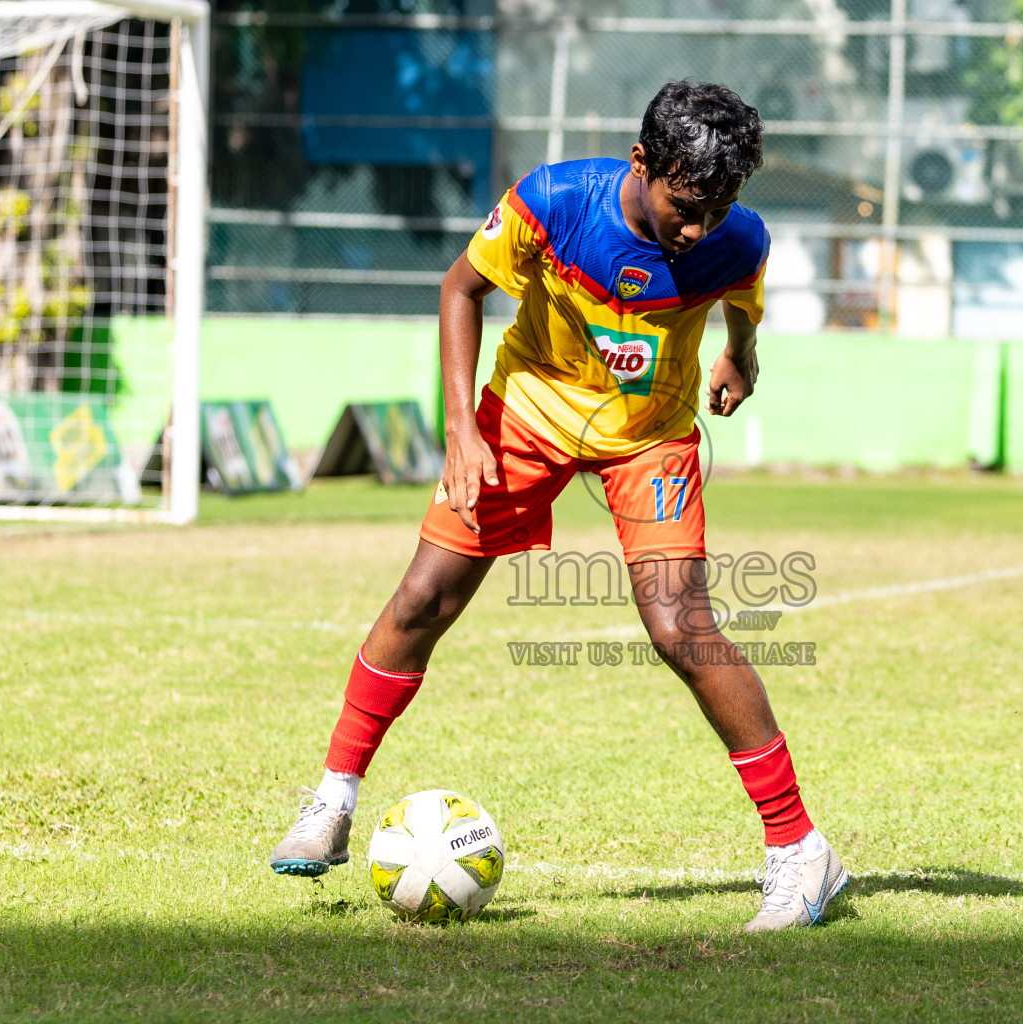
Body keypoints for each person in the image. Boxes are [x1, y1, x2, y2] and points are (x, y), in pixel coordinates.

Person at [269, 81, 846, 932]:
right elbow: (459, 289)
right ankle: (331, 801)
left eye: (718, 210)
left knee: (680, 627)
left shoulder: (736, 239)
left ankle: (801, 853)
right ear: (642, 163)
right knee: (424, 596)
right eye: (686, 206)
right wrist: (462, 432)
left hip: (648, 434)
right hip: (527, 412)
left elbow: (742, 305)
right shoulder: (551, 202)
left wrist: (740, 356)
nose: (698, 230)